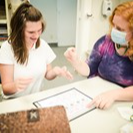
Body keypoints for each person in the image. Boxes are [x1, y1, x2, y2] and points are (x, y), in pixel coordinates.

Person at [64, 1, 133, 109]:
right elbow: (89, 69)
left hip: (124, 104)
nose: (114, 30)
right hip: (98, 96)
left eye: (119, 29)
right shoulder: (105, 42)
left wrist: (114, 94)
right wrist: (76, 61)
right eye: (113, 24)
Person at [0, 2, 73, 99]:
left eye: (39, 30)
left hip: (35, 98)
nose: (36, 36)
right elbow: (6, 88)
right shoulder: (7, 48)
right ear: (19, 30)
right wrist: (15, 86)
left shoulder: (42, 45)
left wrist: (55, 71)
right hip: (14, 100)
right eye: (31, 32)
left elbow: (47, 74)